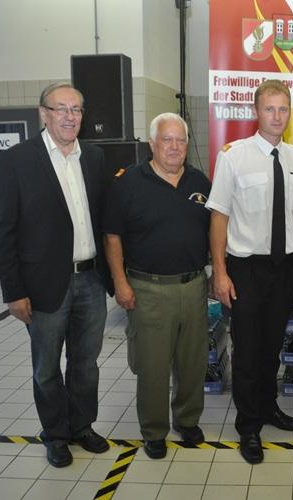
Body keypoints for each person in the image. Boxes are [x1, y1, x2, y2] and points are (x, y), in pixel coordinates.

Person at [0, 82, 112, 468]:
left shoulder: (93, 157)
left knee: (85, 364)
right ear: (43, 113)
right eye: (60, 108)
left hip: (91, 280)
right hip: (44, 285)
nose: (69, 116)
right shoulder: (18, 160)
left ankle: (82, 426)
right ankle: (56, 435)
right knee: (46, 368)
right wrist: (13, 291)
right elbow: (4, 230)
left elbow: (104, 218)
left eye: (76, 109)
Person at [207, 80, 293, 465]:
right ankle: (248, 425)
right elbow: (219, 216)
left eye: (283, 109)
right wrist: (220, 272)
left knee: (271, 346)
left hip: (284, 266)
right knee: (247, 350)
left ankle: (268, 407)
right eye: (269, 109)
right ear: (255, 111)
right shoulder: (233, 156)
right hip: (245, 268)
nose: (277, 117)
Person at [103, 113, 211, 460]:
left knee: (192, 362)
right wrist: (120, 282)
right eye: (167, 139)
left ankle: (187, 420)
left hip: (193, 286)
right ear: (152, 143)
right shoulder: (128, 183)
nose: (175, 147)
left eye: (181, 140)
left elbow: (214, 229)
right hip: (147, 289)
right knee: (152, 366)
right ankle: (154, 431)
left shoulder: (199, 181)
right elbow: (113, 237)